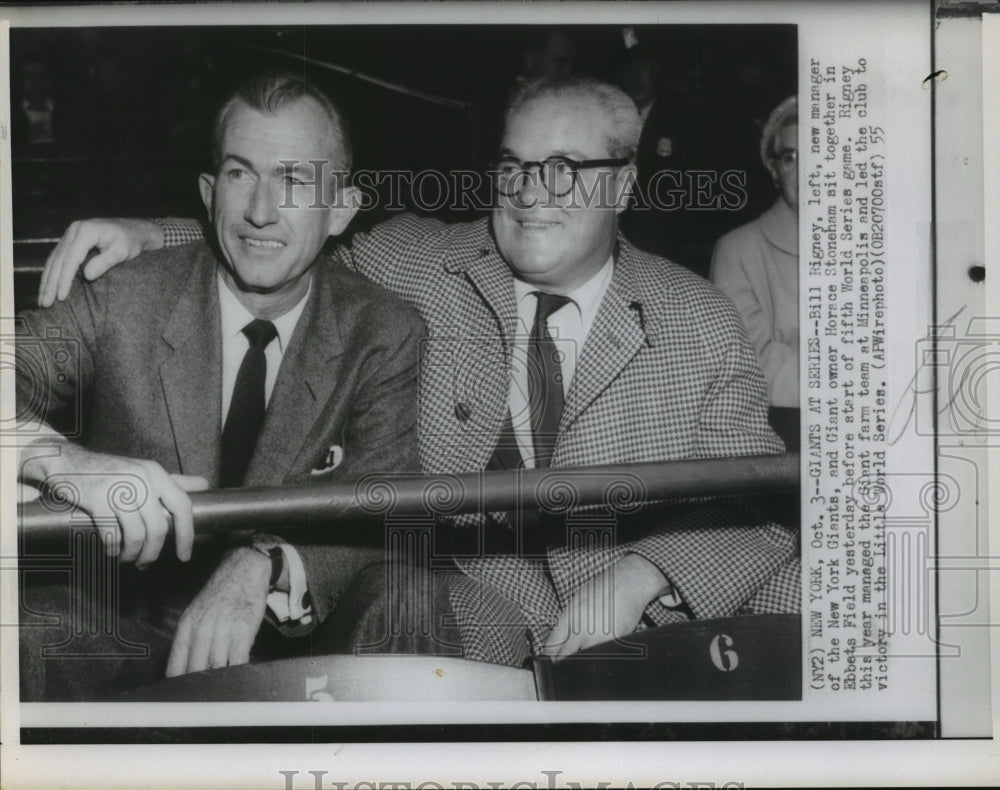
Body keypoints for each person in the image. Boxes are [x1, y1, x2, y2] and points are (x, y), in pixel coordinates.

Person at [38, 75, 799, 670]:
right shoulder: (420, 261)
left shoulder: (697, 319)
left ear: (624, 187)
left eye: (565, 171)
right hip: (475, 607)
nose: (531, 195)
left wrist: (640, 579)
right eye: (514, 167)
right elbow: (290, 249)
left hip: (645, 607)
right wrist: (149, 233)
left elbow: (761, 491)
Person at [16, 71, 425, 699]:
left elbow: (384, 502)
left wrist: (264, 561)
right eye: (240, 174)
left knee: (410, 603)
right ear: (210, 193)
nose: (260, 211)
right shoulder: (127, 297)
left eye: (292, 180)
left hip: (297, 647)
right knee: (27, 629)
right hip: (122, 632)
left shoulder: (383, 329)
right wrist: (67, 463)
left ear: (340, 208)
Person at [710, 96, 798, 441]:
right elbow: (752, 368)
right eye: (790, 158)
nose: (810, 171)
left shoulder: (880, 243)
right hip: (778, 435)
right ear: (774, 171)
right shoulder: (738, 250)